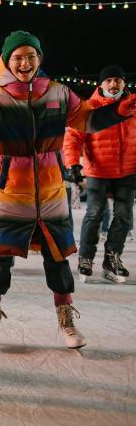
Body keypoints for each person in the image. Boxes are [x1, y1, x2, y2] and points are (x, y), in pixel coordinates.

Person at [0, 34, 135, 349]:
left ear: (39, 58)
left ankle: (66, 317)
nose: (25, 63)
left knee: (58, 259)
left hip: (50, 194)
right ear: (7, 61)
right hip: (8, 195)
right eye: (18, 57)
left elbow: (87, 119)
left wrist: (118, 111)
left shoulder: (59, 93)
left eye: (31, 56)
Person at [63, 65, 135, 283]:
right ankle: (86, 257)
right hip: (98, 170)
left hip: (128, 171)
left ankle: (112, 258)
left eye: (118, 80)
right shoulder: (89, 108)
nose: (114, 84)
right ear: (101, 84)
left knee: (123, 216)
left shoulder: (132, 107)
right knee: (94, 214)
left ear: (124, 83)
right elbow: (74, 137)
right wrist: (73, 164)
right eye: (109, 80)